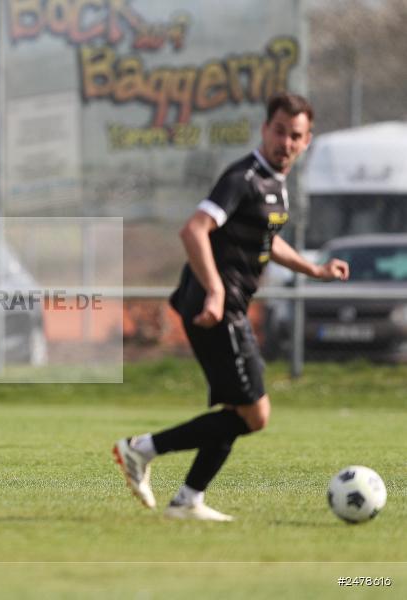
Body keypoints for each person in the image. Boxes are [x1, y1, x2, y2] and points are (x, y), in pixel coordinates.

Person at [112, 92, 350, 521]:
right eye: (279, 131)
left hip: (224, 307)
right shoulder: (243, 177)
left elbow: (266, 239)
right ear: (265, 129)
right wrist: (216, 291)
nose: (286, 142)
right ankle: (142, 450)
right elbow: (194, 230)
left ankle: (187, 500)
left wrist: (313, 270)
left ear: (307, 140)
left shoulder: (275, 184)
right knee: (255, 414)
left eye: (295, 135)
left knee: (241, 412)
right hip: (216, 309)